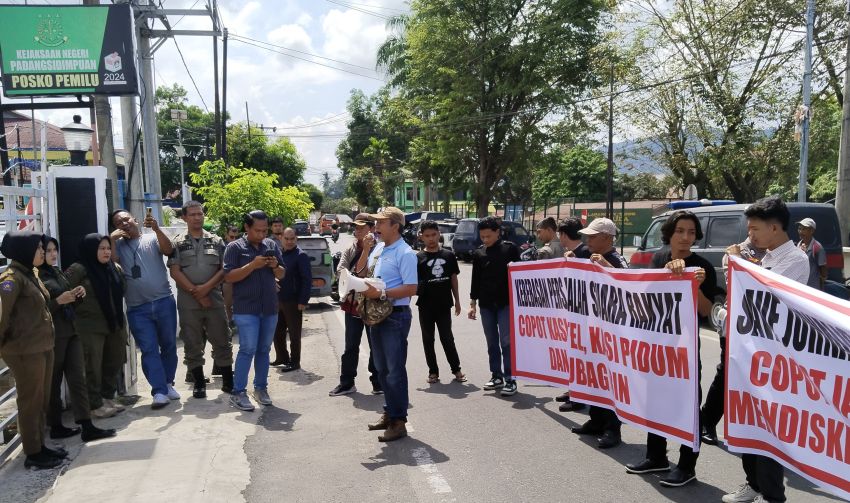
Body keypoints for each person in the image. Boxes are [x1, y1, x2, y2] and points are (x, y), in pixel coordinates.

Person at [722, 197, 808, 503]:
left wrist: (739, 262)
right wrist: (738, 260)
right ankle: (753, 484)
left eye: (755, 229)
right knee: (748, 423)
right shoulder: (767, 255)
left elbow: (763, 295)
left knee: (769, 432)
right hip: (750, 353)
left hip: (775, 359)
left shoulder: (795, 261)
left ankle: (773, 496)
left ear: (774, 228)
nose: (751, 235)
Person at [624, 211, 718, 487]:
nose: (686, 237)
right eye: (680, 231)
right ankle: (656, 457)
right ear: (669, 233)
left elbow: (707, 312)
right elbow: (643, 300)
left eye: (691, 232)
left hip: (684, 350)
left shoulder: (702, 268)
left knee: (688, 405)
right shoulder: (657, 259)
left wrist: (696, 285)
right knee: (655, 400)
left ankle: (687, 466)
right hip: (657, 346)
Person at [0, 231, 66, 469]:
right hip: (24, 350)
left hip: (42, 346)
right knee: (30, 401)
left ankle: (40, 445)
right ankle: (32, 452)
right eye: (38, 248)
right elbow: (2, 317)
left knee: (41, 400)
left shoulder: (31, 273)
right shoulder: (11, 279)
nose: (42, 251)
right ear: (24, 250)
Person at [39, 236, 116, 442]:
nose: (53, 254)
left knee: (78, 378)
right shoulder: (36, 277)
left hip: (71, 332)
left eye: (55, 250)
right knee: (53, 382)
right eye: (48, 251)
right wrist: (58, 301)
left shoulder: (56, 272)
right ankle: (55, 425)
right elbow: (35, 311)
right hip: (53, 336)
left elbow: (68, 301)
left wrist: (76, 295)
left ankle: (87, 425)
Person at [110, 209, 178, 409]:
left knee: (169, 345)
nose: (124, 223)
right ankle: (158, 391)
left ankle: (168, 383)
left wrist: (157, 228)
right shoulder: (118, 246)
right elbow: (113, 265)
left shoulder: (151, 238)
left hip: (164, 300)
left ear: (135, 220)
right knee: (149, 349)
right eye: (118, 222)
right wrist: (112, 240)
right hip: (137, 307)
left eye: (126, 219)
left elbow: (168, 250)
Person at [700, 238, 765, 446]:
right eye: (753, 227)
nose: (754, 232)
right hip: (737, 325)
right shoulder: (736, 252)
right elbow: (740, 282)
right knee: (727, 372)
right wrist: (738, 259)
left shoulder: (780, 253)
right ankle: (707, 421)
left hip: (765, 328)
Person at [570, 217, 628, 449]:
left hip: (612, 330)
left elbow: (628, 284)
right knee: (595, 375)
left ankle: (613, 429)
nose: (588, 240)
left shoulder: (616, 259)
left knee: (611, 379)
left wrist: (607, 266)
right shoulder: (587, 256)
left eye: (593, 236)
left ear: (607, 238)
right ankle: (596, 420)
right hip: (593, 326)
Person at [168, 201, 234, 399]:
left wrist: (205, 289)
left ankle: (229, 381)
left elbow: (224, 269)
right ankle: (198, 383)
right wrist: (195, 292)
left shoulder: (216, 241)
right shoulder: (177, 242)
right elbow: (174, 271)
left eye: (200, 214)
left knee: (222, 338)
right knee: (192, 341)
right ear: (184, 218)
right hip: (188, 302)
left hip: (213, 298)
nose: (198, 217)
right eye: (193, 214)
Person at [363, 207, 418, 442]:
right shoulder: (378, 247)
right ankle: (389, 412)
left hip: (395, 316)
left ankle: (398, 421)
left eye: (381, 223)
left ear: (395, 225)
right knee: (382, 369)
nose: (376, 227)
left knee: (395, 370)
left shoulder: (405, 253)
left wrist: (382, 293)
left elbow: (411, 288)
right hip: (377, 315)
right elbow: (368, 273)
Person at [223, 210, 286, 411]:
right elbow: (229, 277)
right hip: (246, 309)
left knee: (264, 350)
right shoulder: (234, 248)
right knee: (247, 349)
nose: (262, 234)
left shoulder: (271, 245)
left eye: (264, 230)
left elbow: (282, 274)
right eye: (257, 230)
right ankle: (238, 392)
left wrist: (275, 265)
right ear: (247, 228)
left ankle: (261, 388)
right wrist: (253, 265)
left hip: (269, 307)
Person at [66, 234, 129, 419]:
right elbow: (65, 292)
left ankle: (107, 398)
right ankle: (94, 405)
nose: (106, 252)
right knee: (92, 366)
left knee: (114, 361)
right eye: (101, 248)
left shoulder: (114, 268)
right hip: (90, 326)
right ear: (91, 250)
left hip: (115, 324)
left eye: (108, 248)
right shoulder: (79, 269)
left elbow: (123, 289)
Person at [329, 213, 382, 397]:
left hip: (373, 304)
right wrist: (353, 277)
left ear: (372, 229)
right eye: (356, 227)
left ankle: (378, 382)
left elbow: (376, 275)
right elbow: (340, 271)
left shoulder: (380, 250)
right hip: (353, 304)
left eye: (361, 227)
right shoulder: (349, 249)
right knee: (351, 346)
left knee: (376, 345)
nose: (357, 230)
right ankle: (347, 382)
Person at [468, 216, 521, 396]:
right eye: (482, 236)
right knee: (491, 342)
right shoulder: (479, 253)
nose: (485, 240)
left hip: (506, 304)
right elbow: (475, 280)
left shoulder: (510, 249)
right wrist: (472, 303)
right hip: (486, 305)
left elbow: (520, 276)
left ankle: (510, 378)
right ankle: (496, 376)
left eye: (488, 236)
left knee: (506, 342)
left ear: (497, 232)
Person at [416, 220, 465, 384]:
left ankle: (456, 369)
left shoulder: (449, 255)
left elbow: (453, 279)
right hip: (425, 305)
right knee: (428, 339)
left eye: (434, 235)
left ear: (439, 234)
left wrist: (457, 300)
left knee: (447, 338)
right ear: (421, 237)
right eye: (427, 236)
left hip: (444, 304)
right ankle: (433, 372)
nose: (431, 238)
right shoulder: (418, 258)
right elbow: (411, 282)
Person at [555, 217, 591, 412]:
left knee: (580, 355)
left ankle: (579, 397)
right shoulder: (572, 253)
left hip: (583, 314)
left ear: (563, 234)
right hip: (572, 310)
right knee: (571, 353)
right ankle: (572, 389)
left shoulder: (584, 253)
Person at [273, 227, 312, 372]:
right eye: (286, 238)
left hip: (293, 300)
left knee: (294, 334)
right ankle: (282, 357)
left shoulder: (300, 255)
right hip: (278, 299)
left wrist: (303, 300)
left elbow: (307, 280)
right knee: (277, 331)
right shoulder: (278, 254)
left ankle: (295, 362)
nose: (289, 242)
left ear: (296, 239)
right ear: (281, 238)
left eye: (292, 239)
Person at [796, 217, 826, 290]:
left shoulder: (817, 247)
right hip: (799, 285)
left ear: (811, 231)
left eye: (804, 229)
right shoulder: (798, 245)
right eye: (799, 229)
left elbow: (823, 270)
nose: (800, 231)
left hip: (812, 287)